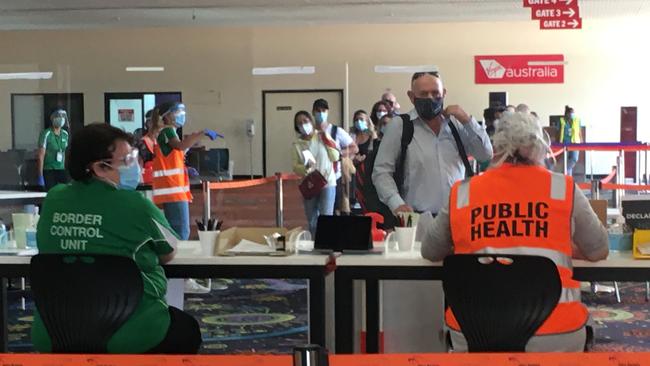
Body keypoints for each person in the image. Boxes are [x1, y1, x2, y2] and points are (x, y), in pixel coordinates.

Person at [418, 112, 608, 352]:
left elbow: (430, 250)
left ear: (496, 148)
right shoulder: (562, 188)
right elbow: (599, 248)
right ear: (540, 147)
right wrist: (562, 247)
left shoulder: (463, 192)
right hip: (554, 332)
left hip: (472, 330)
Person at [32, 123, 202, 354]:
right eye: (128, 160)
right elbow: (169, 252)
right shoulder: (135, 205)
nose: (137, 166)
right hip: (132, 331)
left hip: (56, 331)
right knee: (187, 330)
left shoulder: (53, 200)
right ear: (100, 168)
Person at [372, 71, 493, 216]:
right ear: (412, 96)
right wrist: (396, 204)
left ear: (444, 93)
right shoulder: (401, 126)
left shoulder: (457, 124)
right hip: (418, 217)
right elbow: (381, 171)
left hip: (458, 216)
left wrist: (467, 120)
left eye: (435, 93)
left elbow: (485, 154)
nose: (430, 98)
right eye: (423, 94)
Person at [151, 102, 219, 294]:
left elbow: (179, 151)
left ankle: (178, 276)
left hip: (174, 190)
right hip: (172, 190)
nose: (182, 115)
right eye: (178, 112)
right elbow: (180, 146)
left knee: (177, 231)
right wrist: (201, 132)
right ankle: (180, 277)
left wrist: (194, 140)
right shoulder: (168, 132)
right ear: (168, 115)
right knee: (180, 233)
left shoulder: (168, 133)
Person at [292, 111, 339, 235]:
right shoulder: (297, 144)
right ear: (297, 127)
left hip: (327, 182)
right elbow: (295, 166)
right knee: (312, 220)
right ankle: (314, 244)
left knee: (326, 218)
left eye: (305, 121)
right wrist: (305, 168)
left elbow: (335, 157)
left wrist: (327, 139)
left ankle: (327, 244)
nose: (303, 125)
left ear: (311, 122)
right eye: (299, 123)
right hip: (310, 183)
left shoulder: (322, 136)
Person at [312, 98, 358, 214]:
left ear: (327, 112)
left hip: (333, 179)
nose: (321, 113)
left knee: (331, 213)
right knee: (313, 215)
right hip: (313, 178)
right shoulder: (310, 132)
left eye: (323, 110)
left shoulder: (336, 131)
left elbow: (354, 147)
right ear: (313, 112)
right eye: (318, 110)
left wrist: (339, 154)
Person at [349, 110, 378, 211]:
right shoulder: (351, 136)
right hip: (352, 173)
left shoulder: (372, 136)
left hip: (367, 173)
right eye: (356, 120)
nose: (358, 122)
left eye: (361, 119)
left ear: (367, 121)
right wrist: (353, 159)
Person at [37, 108, 70, 191]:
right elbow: (41, 156)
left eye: (63, 116)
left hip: (61, 169)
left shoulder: (65, 134)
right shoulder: (46, 133)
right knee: (51, 192)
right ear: (53, 118)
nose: (61, 118)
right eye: (58, 116)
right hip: (49, 169)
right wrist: (40, 176)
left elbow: (64, 153)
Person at [560, 105, 583, 176]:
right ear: (567, 114)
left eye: (573, 113)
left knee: (574, 159)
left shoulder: (577, 120)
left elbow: (579, 130)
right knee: (566, 160)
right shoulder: (562, 120)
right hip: (565, 143)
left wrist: (582, 140)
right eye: (571, 113)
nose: (572, 114)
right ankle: (568, 179)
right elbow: (559, 132)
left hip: (575, 142)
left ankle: (564, 171)